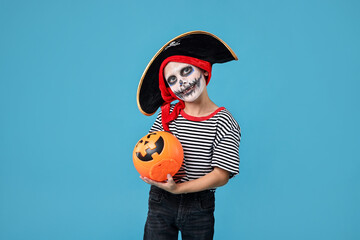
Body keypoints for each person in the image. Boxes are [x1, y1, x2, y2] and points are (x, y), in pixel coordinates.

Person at [136, 31, 241, 240]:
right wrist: (153, 173)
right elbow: (150, 152)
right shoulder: (167, 116)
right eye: (173, 80)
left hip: (198, 206)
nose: (182, 82)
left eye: (186, 71)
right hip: (161, 201)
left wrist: (180, 188)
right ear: (170, 89)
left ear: (203, 69)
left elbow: (221, 175)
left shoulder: (223, 121)